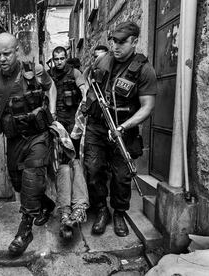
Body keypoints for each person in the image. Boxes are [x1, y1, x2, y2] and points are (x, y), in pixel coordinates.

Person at [0, 32, 57, 256]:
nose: (2, 58)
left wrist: (52, 113)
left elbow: (50, 87)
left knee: (32, 177)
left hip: (38, 135)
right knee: (18, 182)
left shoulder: (34, 71)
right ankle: (46, 204)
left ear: (16, 51)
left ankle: (24, 231)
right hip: (14, 139)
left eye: (6, 54)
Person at [84, 22, 157, 237]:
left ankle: (118, 213)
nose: (115, 46)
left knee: (121, 175)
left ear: (134, 42)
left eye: (122, 42)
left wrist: (123, 126)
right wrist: (85, 93)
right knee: (93, 169)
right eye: (113, 41)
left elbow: (147, 107)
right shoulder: (102, 60)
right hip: (97, 126)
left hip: (123, 129)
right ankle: (101, 210)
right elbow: (86, 77)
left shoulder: (144, 70)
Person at [48, 46, 90, 239]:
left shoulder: (74, 72)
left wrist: (85, 108)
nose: (59, 62)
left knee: (76, 162)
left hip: (74, 124)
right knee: (62, 166)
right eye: (56, 58)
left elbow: (84, 90)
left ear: (66, 58)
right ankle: (65, 211)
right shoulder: (49, 75)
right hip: (56, 125)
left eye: (62, 58)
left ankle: (78, 207)